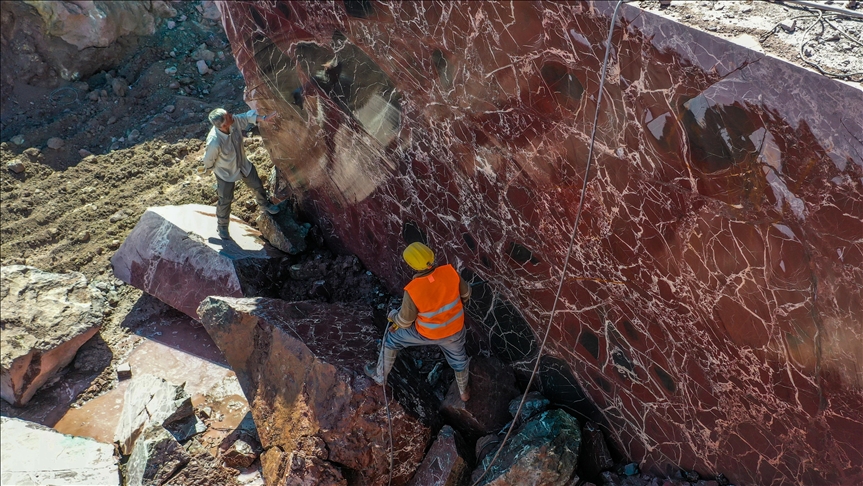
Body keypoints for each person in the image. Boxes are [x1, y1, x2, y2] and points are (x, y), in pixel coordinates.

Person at [365, 242, 473, 402]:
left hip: (426, 333)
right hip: (454, 330)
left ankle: (380, 375)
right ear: (431, 255)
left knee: (392, 339)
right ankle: (464, 392)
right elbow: (466, 294)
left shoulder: (413, 290)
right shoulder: (451, 272)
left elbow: (405, 321)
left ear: (411, 265)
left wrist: (394, 316)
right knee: (459, 360)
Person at [201, 107, 280, 240]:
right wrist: (208, 169)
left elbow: (245, 117)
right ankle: (222, 227)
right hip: (226, 172)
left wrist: (264, 118)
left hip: (243, 165)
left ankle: (264, 205)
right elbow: (208, 160)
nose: (232, 115)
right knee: (225, 200)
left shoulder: (233, 122)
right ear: (224, 125)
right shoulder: (214, 142)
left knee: (257, 185)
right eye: (229, 115)